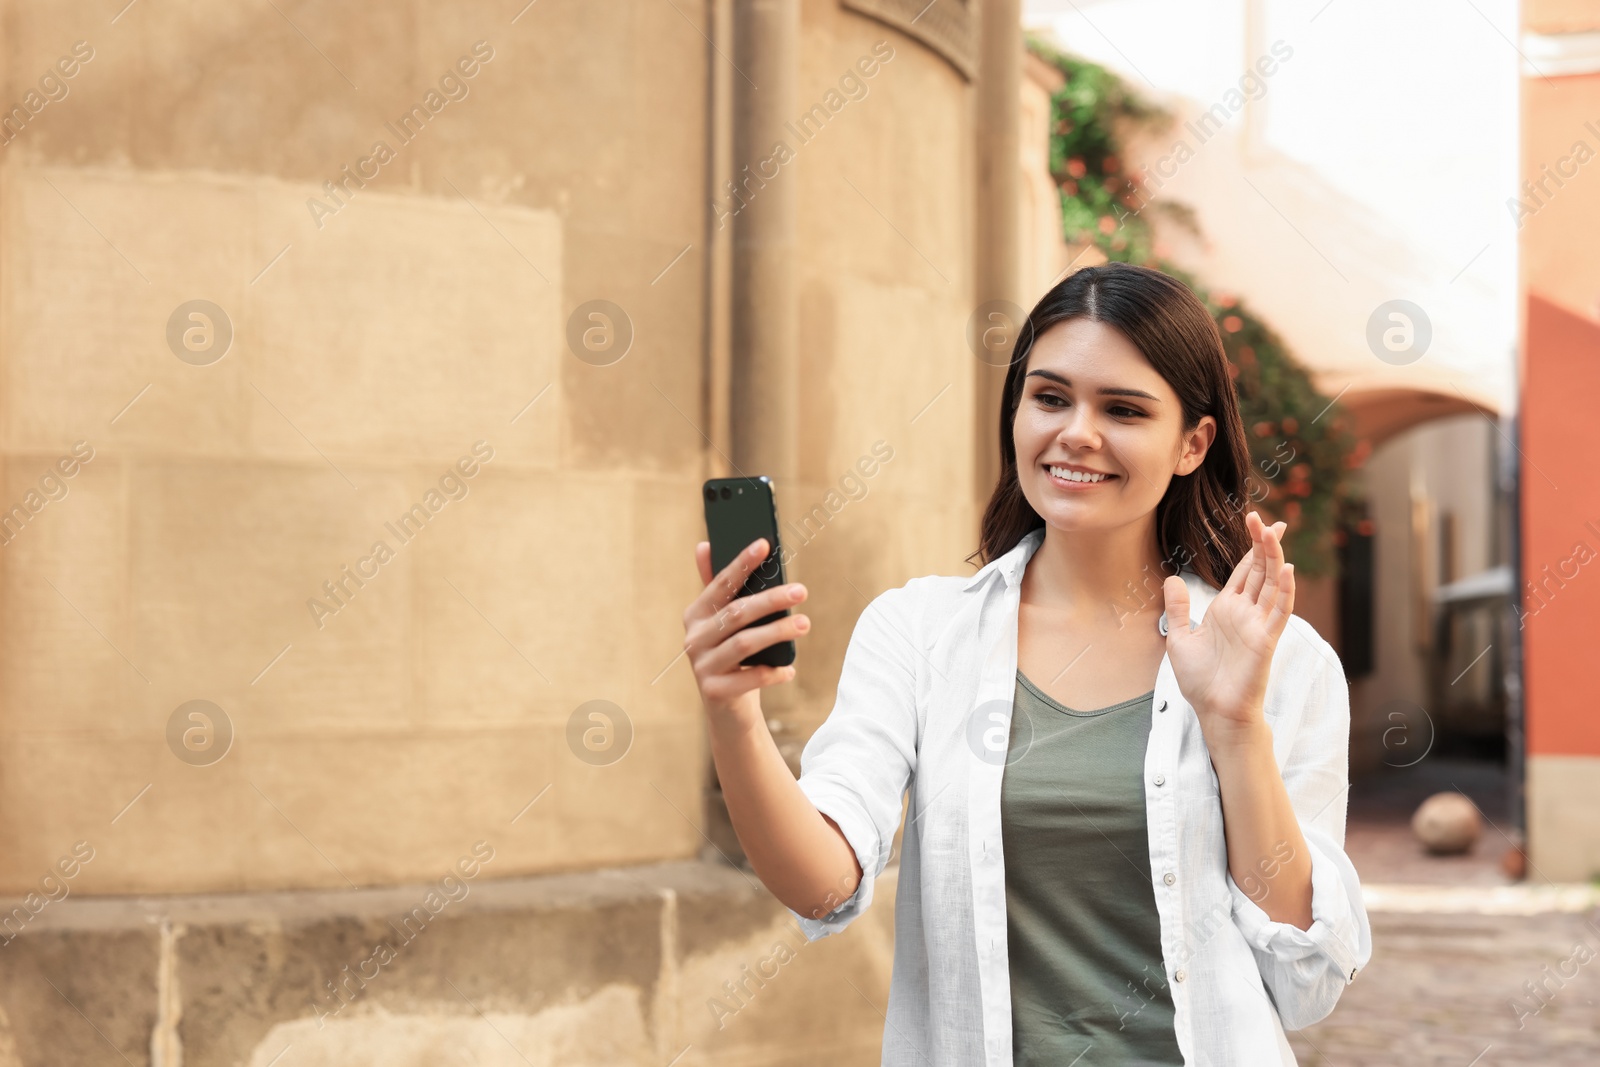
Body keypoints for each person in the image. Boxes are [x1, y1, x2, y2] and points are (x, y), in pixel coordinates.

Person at [682, 262, 1373, 1065]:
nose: (1077, 431)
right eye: (1050, 397)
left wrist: (1235, 725)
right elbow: (824, 885)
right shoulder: (918, 632)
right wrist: (733, 713)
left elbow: (1303, 975)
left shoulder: (1279, 659)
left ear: (1193, 442)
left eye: (1122, 408)